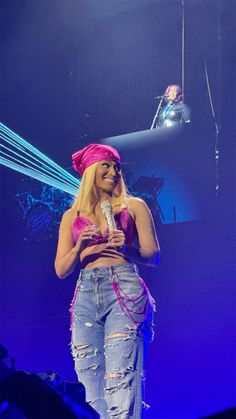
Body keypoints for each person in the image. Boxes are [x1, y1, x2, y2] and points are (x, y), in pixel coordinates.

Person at [54, 143, 160, 419]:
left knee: (120, 382)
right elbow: (61, 269)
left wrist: (128, 248)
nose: (113, 171)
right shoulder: (71, 216)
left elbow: (153, 255)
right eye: (106, 165)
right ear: (91, 170)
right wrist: (79, 249)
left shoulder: (134, 206)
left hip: (123, 289)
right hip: (86, 294)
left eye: (116, 166)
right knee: (89, 392)